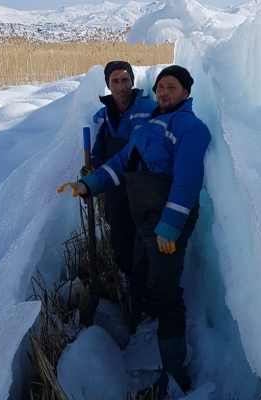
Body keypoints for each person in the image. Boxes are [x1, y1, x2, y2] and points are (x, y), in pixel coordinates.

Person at [58, 65, 211, 397]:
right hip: (146, 216)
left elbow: (187, 180)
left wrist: (170, 227)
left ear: (185, 93)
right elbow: (117, 165)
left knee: (167, 293)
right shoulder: (149, 127)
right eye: (160, 88)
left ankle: (175, 374)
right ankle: (147, 331)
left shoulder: (190, 127)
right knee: (148, 279)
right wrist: (86, 185)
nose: (163, 92)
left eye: (171, 87)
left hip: (167, 218)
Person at [86, 61, 156, 280]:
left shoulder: (148, 108)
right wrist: (93, 168)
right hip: (115, 185)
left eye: (125, 80)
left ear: (132, 82)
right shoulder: (105, 114)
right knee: (118, 230)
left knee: (142, 235)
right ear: (108, 84)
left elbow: (142, 147)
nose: (121, 85)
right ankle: (127, 280)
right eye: (115, 81)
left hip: (141, 183)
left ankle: (144, 287)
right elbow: (100, 143)